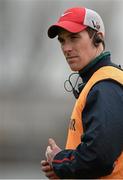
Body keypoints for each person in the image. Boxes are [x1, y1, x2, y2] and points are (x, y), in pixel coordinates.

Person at [41, 6, 123, 179]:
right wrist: (64, 169)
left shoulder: (105, 86)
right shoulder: (103, 82)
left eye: (74, 37)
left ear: (98, 38)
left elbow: (99, 158)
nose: (66, 48)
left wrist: (59, 160)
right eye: (62, 41)